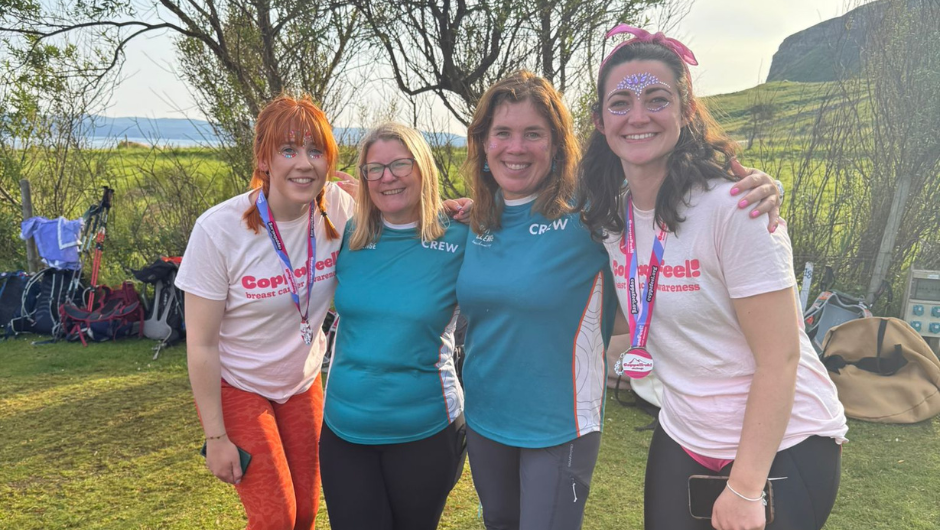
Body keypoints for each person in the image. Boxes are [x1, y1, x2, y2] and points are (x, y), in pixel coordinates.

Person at [455, 71, 783, 530]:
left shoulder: (594, 213)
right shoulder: (471, 221)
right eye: (502, 133)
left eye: (534, 134)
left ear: (556, 145)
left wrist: (762, 188)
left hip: (560, 426)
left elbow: (669, 191)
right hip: (486, 417)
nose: (516, 147)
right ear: (483, 144)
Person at [579, 25, 849, 530]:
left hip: (785, 442)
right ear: (599, 120)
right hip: (685, 432)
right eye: (620, 103)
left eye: (656, 99)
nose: (638, 116)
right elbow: (624, 326)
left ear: (685, 111)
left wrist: (746, 488)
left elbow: (781, 353)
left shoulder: (736, 207)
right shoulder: (612, 220)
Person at [177, 94, 355, 530]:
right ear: (264, 158)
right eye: (288, 150)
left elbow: (403, 209)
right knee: (276, 518)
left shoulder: (342, 207)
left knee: (308, 513)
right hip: (240, 386)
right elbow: (200, 343)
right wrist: (216, 437)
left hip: (302, 381)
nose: (304, 164)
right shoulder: (219, 229)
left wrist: (450, 208)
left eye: (316, 151)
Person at [318, 123, 468, 530]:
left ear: (422, 169)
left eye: (400, 165)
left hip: (426, 430)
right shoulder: (349, 235)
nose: (387, 177)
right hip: (344, 430)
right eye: (374, 169)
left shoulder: (462, 236)